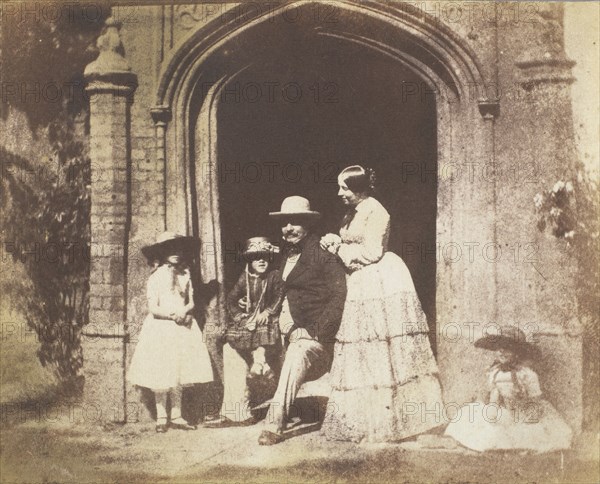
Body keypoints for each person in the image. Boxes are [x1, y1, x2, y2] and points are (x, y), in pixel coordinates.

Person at [319, 165, 443, 443]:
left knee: (383, 344)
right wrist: (336, 240)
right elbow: (354, 242)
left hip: (379, 279)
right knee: (363, 347)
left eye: (345, 188)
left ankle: (397, 420)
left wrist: (338, 248)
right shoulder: (353, 212)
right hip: (361, 280)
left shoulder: (377, 211)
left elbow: (372, 252)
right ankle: (361, 420)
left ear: (360, 188)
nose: (340, 193)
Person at [258, 196, 347, 445]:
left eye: (295, 222)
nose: (289, 228)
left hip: (317, 340)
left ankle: (274, 424)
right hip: (285, 330)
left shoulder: (323, 254)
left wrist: (312, 331)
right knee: (234, 347)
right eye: (285, 222)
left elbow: (339, 297)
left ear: (308, 224)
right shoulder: (281, 255)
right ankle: (236, 411)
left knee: (298, 351)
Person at [128, 232, 214, 432]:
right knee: (162, 371)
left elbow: (191, 301)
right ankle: (161, 417)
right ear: (162, 252)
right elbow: (153, 308)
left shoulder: (185, 274)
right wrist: (172, 315)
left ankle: (177, 415)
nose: (175, 254)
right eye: (170, 249)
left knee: (180, 370)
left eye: (179, 249)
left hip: (183, 326)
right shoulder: (156, 277)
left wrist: (185, 311)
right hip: (161, 327)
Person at [444, 325, 573, 452]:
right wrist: (492, 405)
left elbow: (536, 401)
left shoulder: (526, 374)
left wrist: (525, 412)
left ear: (518, 352)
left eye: (507, 348)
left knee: (527, 432)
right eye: (499, 348)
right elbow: (490, 395)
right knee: (478, 418)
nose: (502, 352)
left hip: (522, 412)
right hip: (502, 412)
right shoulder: (494, 372)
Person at [206, 237, 283, 427]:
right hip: (250, 324)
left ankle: (261, 361)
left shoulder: (274, 276)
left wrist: (268, 311)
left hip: (270, 323)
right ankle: (236, 412)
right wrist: (240, 314)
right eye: (256, 257)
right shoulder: (245, 277)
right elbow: (231, 299)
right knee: (230, 346)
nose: (261, 261)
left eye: (265, 257)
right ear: (249, 260)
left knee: (263, 331)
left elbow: (280, 297)